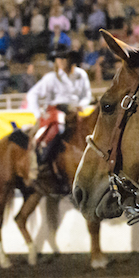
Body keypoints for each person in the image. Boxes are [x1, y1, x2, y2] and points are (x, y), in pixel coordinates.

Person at [24, 46, 93, 187]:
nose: (60, 61)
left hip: (75, 112)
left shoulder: (81, 75)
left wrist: (82, 104)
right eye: (59, 58)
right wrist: (38, 114)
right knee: (57, 129)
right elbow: (32, 95)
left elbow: (87, 95)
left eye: (63, 58)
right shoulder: (50, 78)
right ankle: (42, 164)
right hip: (56, 112)